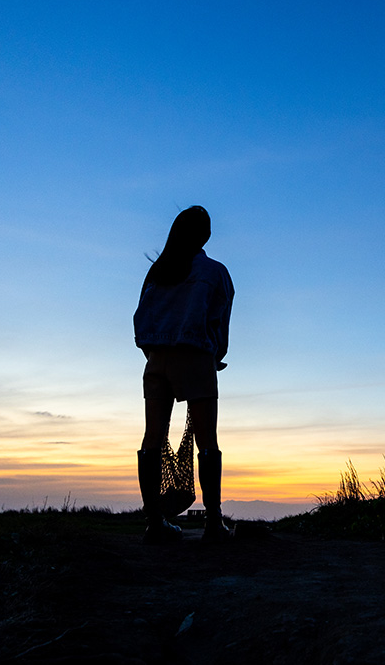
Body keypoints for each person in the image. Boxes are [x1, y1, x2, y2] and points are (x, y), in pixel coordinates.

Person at [133, 205, 235, 544]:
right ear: (205, 235)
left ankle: (154, 521)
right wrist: (212, 356)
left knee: (152, 439)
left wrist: (155, 351)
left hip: (156, 360)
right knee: (207, 441)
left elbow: (140, 320)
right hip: (195, 357)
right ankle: (214, 521)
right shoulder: (214, 272)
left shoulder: (157, 272)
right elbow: (220, 325)